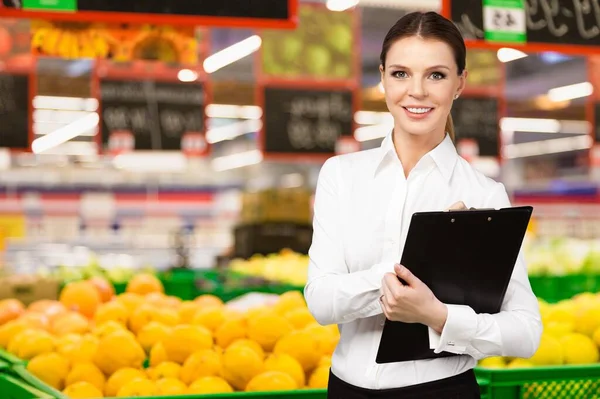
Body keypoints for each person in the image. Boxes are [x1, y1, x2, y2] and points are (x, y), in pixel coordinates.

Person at [304, 10, 542, 399]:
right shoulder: (341, 176)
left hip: (441, 391)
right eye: (400, 73)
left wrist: (439, 315)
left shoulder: (484, 194)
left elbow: (525, 332)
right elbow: (321, 301)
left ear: (459, 83)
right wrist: (417, 265)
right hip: (345, 389)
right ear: (382, 77)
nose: (417, 91)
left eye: (436, 75)